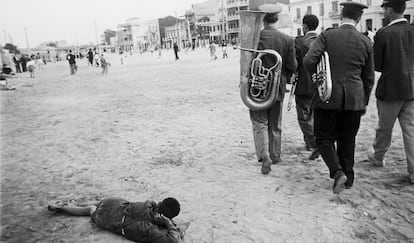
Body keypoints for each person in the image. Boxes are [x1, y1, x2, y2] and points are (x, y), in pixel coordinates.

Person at [304, 1, 375, 194]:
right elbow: (368, 78)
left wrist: (319, 81)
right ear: (359, 18)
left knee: (324, 138)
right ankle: (349, 179)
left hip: (327, 97)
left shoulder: (327, 35)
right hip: (355, 99)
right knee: (348, 139)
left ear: (340, 15)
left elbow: (309, 60)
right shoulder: (366, 41)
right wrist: (364, 100)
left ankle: (337, 172)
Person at [368, 0, 414, 184]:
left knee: (384, 127)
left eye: (385, 10)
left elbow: (377, 65)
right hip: (411, 87)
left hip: (390, 89)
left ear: (389, 10)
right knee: (410, 130)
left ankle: (378, 157)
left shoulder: (383, 33)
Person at [249, 4, 297, 174]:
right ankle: (275, 155)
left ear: (262, 19)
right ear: (277, 18)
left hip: (256, 89)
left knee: (259, 123)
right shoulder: (287, 39)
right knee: (275, 124)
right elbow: (292, 66)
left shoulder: (253, 38)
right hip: (277, 89)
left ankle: (264, 156)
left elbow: (245, 64)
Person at [47, 197, 183, 243]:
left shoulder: (148, 204)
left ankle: (75, 203)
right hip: (111, 219)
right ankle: (63, 207)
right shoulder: (149, 229)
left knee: (100, 202)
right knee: (90, 210)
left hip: (116, 203)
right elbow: (174, 240)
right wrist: (168, 224)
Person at [294, 14, 320, 160]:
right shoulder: (323, 40)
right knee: (315, 115)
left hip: (304, 85)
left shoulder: (299, 42)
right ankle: (310, 143)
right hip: (320, 86)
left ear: (304, 26)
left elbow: (294, 64)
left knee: (304, 117)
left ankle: (314, 143)